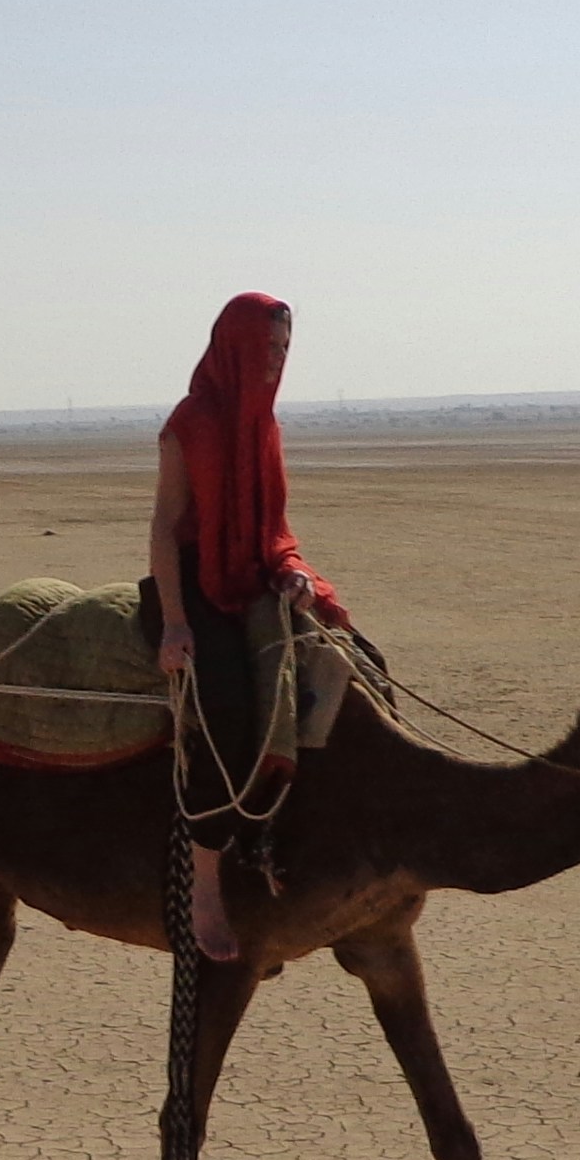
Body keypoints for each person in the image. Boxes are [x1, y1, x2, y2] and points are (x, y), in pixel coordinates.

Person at [147, 293, 352, 963]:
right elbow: (164, 526)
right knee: (228, 705)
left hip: (253, 574)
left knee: (349, 659)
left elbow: (275, 531)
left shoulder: (266, 425)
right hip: (191, 582)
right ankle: (206, 884)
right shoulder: (192, 420)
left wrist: (291, 570)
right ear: (234, 347)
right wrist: (176, 624)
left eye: (284, 350)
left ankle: (286, 835)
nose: (276, 360)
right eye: (266, 349)